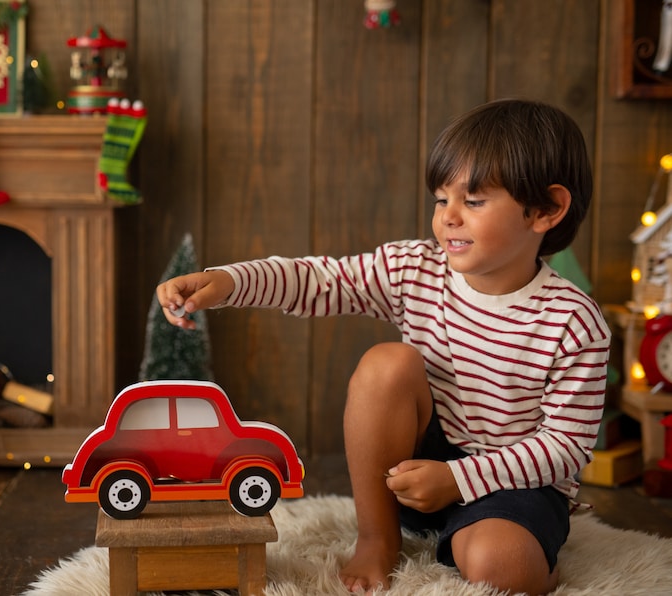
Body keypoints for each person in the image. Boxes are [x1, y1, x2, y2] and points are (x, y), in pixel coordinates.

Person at [156, 99, 611, 595]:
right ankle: (378, 538)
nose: (448, 218)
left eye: (474, 202)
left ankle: (509, 548)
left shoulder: (574, 320)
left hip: (511, 481)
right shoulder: (413, 270)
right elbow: (318, 280)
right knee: (386, 363)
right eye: (441, 200)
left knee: (501, 568)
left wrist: (460, 480)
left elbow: (566, 447)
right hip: (413, 468)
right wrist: (225, 282)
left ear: (546, 209)